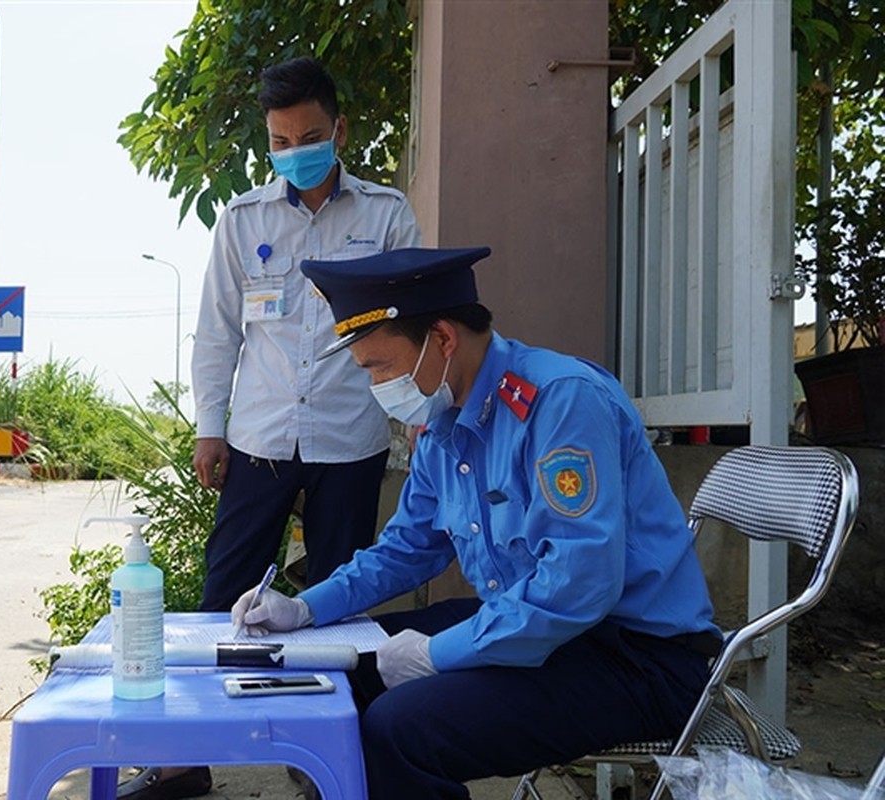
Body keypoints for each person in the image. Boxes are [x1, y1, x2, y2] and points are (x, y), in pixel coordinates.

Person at [231, 247, 721, 800]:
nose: (377, 387)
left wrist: (436, 655)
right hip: (544, 634)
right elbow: (406, 548)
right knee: (337, 674)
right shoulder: (444, 423)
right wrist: (306, 608)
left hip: (634, 658)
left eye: (381, 367)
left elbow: (578, 585)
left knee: (398, 729)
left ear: (442, 339)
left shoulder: (560, 402)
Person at [117, 57, 420, 800]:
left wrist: (419, 426)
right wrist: (208, 429)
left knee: (338, 598)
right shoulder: (243, 220)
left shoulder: (386, 215)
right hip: (258, 441)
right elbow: (217, 335)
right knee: (223, 592)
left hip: (351, 439)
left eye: (310, 135)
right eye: (281, 140)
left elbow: (410, 328)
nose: (296, 150)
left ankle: (320, 761)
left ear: (339, 130)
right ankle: (184, 758)